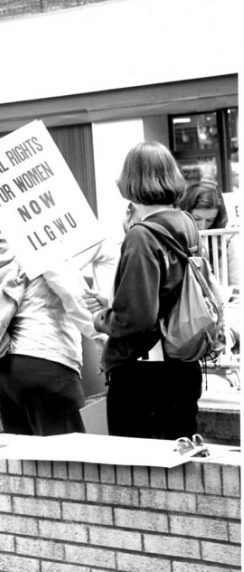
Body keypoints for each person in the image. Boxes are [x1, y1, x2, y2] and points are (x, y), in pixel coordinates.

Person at [87, 142, 203, 440]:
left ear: (131, 180)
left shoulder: (142, 237)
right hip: (183, 365)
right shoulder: (186, 224)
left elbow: (136, 318)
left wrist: (102, 318)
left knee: (138, 476)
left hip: (144, 376)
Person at [0, 247, 104, 436]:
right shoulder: (47, 250)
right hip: (46, 360)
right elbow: (75, 298)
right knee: (68, 456)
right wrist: (101, 336)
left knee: (23, 458)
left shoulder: (10, 255)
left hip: (4, 367)